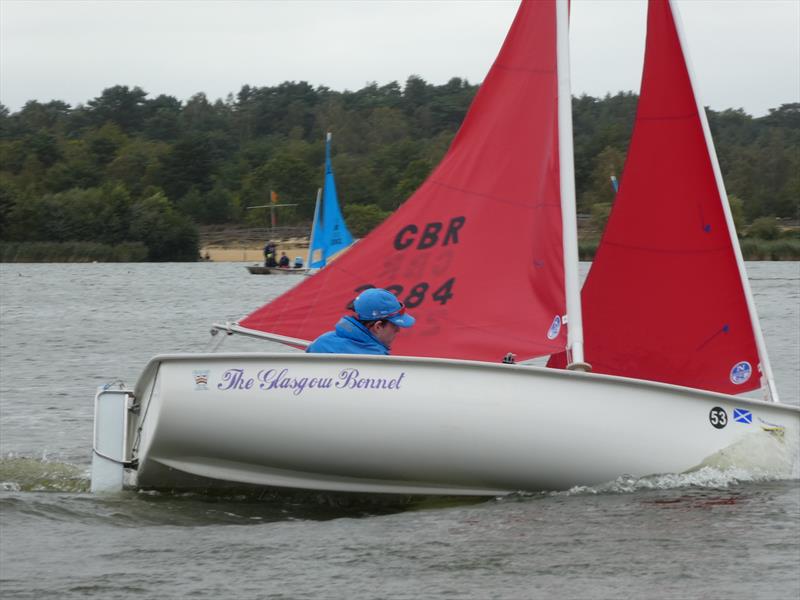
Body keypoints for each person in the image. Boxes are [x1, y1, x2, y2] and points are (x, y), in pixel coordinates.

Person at [306, 288, 415, 355]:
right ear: (378, 327)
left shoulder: (321, 342)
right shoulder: (379, 361)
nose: (398, 330)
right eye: (395, 325)